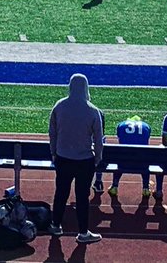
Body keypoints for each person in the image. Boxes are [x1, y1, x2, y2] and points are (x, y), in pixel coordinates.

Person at [47, 73, 104, 244]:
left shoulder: (59, 106)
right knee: (82, 197)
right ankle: (83, 232)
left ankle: (56, 224)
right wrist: (97, 158)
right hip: (84, 160)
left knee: (61, 192)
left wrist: (54, 152)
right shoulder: (93, 111)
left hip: (63, 157)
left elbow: (52, 133)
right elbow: (98, 139)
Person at [97, 115, 161, 202]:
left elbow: (120, 138)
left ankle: (114, 186)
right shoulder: (146, 126)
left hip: (123, 161)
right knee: (145, 159)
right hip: (141, 162)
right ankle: (145, 188)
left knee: (119, 159)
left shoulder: (121, 125)